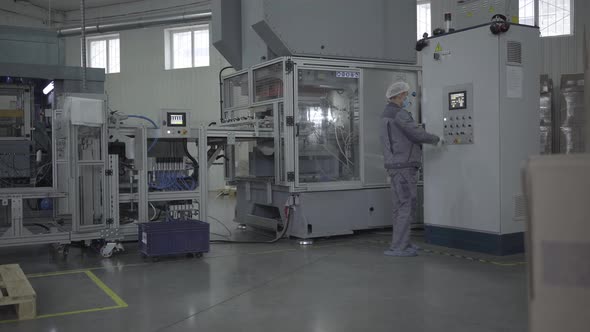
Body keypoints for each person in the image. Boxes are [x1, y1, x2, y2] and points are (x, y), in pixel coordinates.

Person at [381, 81, 441, 257]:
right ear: (399, 96)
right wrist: (437, 139)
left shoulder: (386, 114)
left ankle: (401, 243)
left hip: (395, 165)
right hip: (403, 166)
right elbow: (416, 133)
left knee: (400, 206)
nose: (408, 99)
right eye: (406, 95)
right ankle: (399, 247)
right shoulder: (399, 114)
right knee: (406, 205)